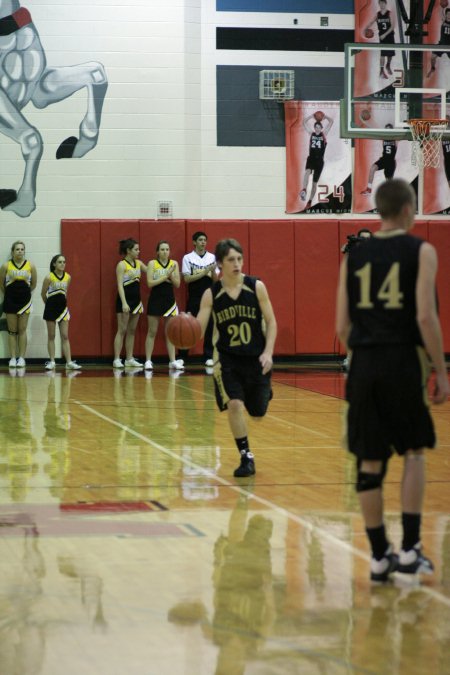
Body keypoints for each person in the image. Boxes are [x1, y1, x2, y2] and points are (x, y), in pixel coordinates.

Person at [336, 178, 449, 583]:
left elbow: (341, 326)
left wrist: (366, 353)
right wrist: (439, 367)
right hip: (402, 361)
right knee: (414, 453)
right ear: (407, 209)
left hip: (364, 364)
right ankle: (411, 549)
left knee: (369, 460)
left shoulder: (354, 256)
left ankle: (380, 554)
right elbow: (424, 315)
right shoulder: (422, 250)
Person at [197, 238, 277, 477]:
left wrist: (269, 352)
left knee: (257, 412)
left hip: (256, 358)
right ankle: (246, 456)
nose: (237, 263)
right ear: (220, 263)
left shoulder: (256, 286)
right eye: (231, 259)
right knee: (234, 404)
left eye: (239, 258)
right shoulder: (211, 294)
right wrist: (185, 328)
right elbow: (197, 332)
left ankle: (264, 393)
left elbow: (272, 322)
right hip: (227, 360)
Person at [144, 240, 184, 371]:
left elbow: (177, 284)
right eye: (162, 249)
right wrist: (166, 275)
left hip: (169, 300)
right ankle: (148, 361)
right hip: (155, 299)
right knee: (152, 331)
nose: (165, 252)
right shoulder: (152, 263)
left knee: (169, 332)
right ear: (157, 252)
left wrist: (171, 276)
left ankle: (172, 361)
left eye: (167, 249)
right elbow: (150, 283)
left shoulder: (174, 264)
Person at [181, 231, 219, 367]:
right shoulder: (188, 258)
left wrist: (213, 271)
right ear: (194, 242)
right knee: (188, 325)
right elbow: (186, 279)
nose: (203, 242)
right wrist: (204, 272)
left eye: (205, 240)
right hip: (194, 296)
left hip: (209, 296)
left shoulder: (212, 257)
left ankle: (208, 356)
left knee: (210, 326)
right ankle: (182, 356)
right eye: (200, 240)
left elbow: (216, 280)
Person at [0, 241, 37, 368]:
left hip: (25, 301)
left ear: (24, 251)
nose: (20, 251)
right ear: (12, 251)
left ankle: (21, 358)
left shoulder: (30, 266)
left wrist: (24, 293)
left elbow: (33, 284)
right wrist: (9, 294)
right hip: (10, 300)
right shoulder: (6, 266)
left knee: (22, 330)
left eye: (22, 249)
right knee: (12, 331)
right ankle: (12, 358)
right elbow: (1, 285)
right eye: (17, 249)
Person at [41, 255, 81, 371]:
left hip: (63, 309)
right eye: (59, 262)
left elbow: (65, 293)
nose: (62, 264)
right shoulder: (49, 277)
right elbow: (43, 294)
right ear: (54, 264)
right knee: (51, 336)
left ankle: (68, 362)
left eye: (64, 262)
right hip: (51, 309)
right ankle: (52, 361)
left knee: (65, 336)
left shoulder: (68, 277)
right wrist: (49, 306)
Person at [113, 238, 146, 369]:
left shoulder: (138, 263)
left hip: (137, 301)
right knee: (122, 330)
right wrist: (124, 303)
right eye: (136, 249)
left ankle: (129, 358)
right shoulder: (122, 265)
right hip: (124, 301)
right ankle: (116, 359)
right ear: (128, 250)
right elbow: (120, 285)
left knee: (131, 331)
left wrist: (170, 270)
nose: (139, 251)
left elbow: (150, 270)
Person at [299, 113, 333, 210]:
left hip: (319, 161)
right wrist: (312, 116)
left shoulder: (324, 134)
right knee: (307, 172)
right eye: (316, 127)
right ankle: (304, 190)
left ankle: (309, 201)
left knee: (314, 183)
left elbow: (331, 121)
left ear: (321, 128)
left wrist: (325, 116)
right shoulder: (311, 133)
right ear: (314, 128)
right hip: (311, 158)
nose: (317, 128)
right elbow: (304, 122)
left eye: (319, 127)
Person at [361, 124, 397, 195]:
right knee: (372, 168)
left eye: (389, 130)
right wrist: (365, 123)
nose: (388, 132)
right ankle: (369, 189)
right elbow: (374, 130)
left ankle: (391, 195)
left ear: (392, 131)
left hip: (391, 161)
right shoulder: (383, 137)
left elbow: (403, 135)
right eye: (386, 130)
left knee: (388, 182)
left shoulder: (396, 138)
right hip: (383, 160)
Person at [364, 0, 396, 79]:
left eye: (383, 3)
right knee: (383, 54)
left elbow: (392, 27)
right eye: (380, 3)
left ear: (386, 4)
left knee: (390, 54)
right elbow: (371, 22)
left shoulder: (390, 13)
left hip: (389, 36)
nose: (382, 5)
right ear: (379, 4)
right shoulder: (377, 14)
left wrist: (385, 34)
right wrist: (366, 28)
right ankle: (381, 70)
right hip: (382, 36)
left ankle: (388, 65)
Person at [427, 8, 450, 77]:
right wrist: (442, 7)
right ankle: (432, 68)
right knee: (433, 57)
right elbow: (440, 13)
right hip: (441, 44)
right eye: (448, 14)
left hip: (449, 46)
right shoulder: (443, 21)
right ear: (446, 15)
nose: (449, 15)